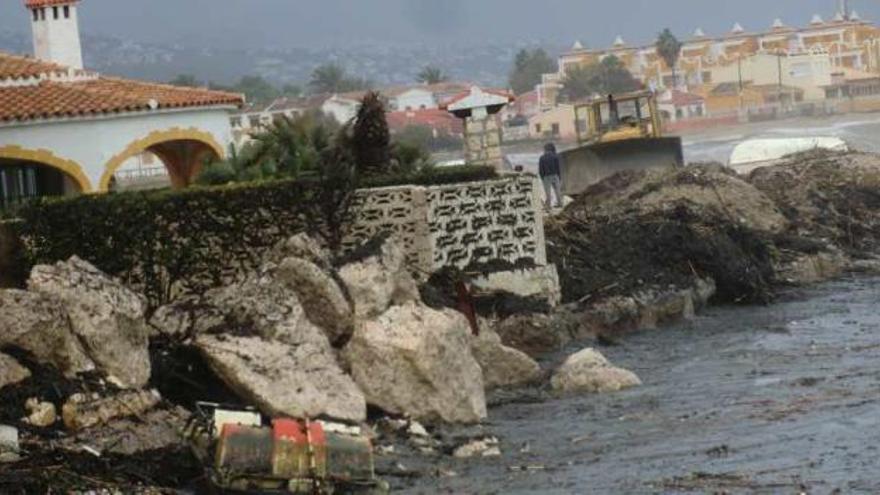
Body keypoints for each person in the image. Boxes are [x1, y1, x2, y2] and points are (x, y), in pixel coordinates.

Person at [539, 142, 563, 209]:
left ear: (546, 149)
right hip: (555, 175)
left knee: (548, 192)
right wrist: (559, 176)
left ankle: (548, 206)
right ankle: (560, 204)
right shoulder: (555, 156)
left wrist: (542, 177)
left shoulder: (542, 158)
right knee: (557, 191)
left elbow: (541, 169)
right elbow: (558, 167)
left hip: (546, 177)